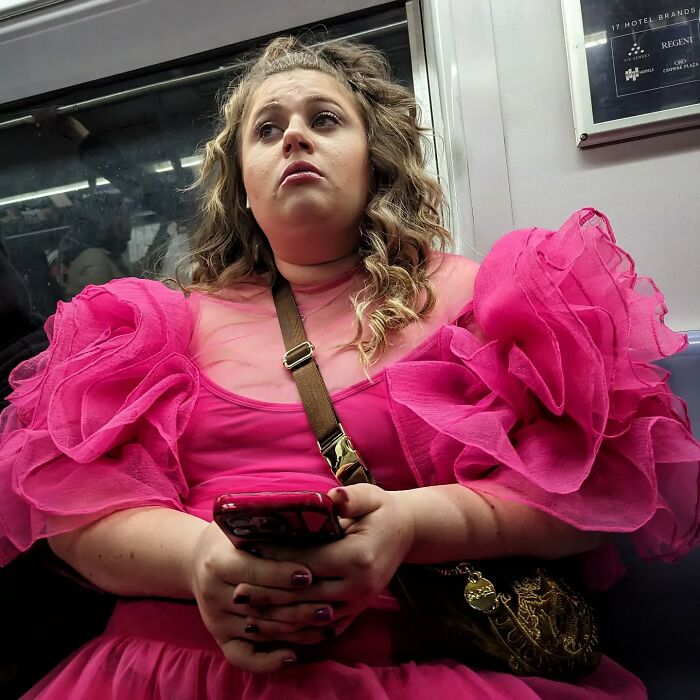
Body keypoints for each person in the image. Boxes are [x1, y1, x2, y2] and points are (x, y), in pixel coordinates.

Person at [0, 36, 698, 700]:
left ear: (375, 161)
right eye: (266, 131)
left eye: (324, 120)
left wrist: (412, 526)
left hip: (399, 659)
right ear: (241, 186)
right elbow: (70, 517)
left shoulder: (487, 299)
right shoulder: (155, 328)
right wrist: (196, 561)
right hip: (163, 664)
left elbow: (597, 493)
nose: (294, 137)